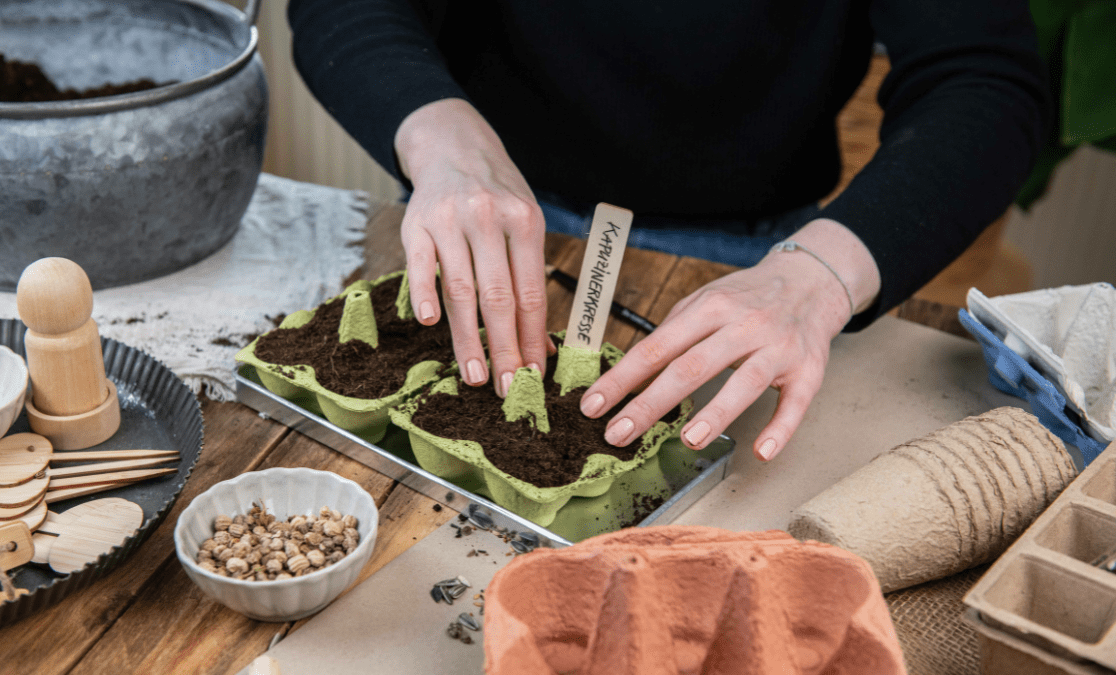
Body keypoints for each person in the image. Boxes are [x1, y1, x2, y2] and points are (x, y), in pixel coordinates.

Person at [287, 1, 1050, 461]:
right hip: (484, 208)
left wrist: (819, 273)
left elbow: (984, 76)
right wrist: (444, 144)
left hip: (769, 264)